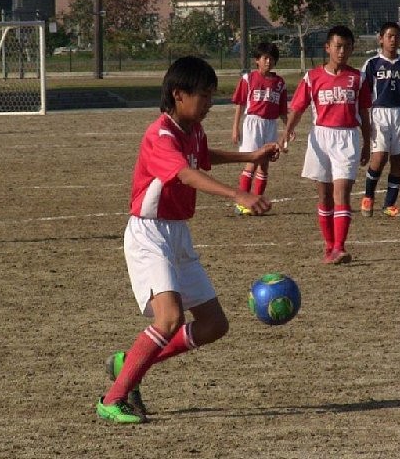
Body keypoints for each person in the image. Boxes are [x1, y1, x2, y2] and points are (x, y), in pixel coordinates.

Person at [97, 55, 279, 424]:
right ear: (179, 94)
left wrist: (251, 156)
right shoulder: (160, 135)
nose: (210, 103)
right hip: (149, 233)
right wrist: (238, 194)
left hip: (177, 233)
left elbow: (201, 157)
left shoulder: (193, 130)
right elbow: (185, 173)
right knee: (170, 318)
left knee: (214, 325)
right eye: (204, 95)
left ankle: (128, 363)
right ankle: (112, 399)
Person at [279, 25, 370, 264]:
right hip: (320, 138)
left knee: (342, 192)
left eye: (347, 47)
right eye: (338, 46)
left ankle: (340, 247)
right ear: (327, 47)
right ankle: (329, 247)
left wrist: (367, 143)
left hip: (347, 138)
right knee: (324, 196)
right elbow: (298, 108)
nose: (342, 51)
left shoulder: (358, 78)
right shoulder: (312, 78)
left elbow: (364, 113)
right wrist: (287, 131)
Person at [359, 21, 400, 219]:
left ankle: (389, 204)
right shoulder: (372, 64)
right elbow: (363, 92)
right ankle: (368, 197)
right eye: (389, 36)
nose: (393, 40)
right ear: (381, 39)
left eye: (397, 36)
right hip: (380, 113)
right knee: (379, 157)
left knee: (397, 159)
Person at [230, 41, 288, 215]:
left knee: (264, 165)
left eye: (272, 59)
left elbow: (282, 110)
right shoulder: (248, 79)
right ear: (257, 60)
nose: (268, 62)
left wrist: (288, 128)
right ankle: (242, 202)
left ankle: (257, 202)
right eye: (265, 58)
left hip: (270, 125)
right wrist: (235, 127)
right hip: (252, 124)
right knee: (251, 162)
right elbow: (240, 104)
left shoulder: (280, 83)